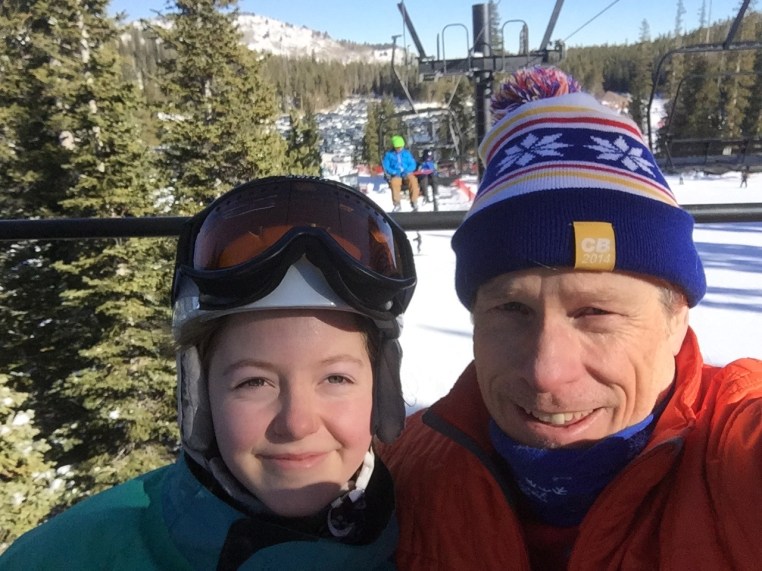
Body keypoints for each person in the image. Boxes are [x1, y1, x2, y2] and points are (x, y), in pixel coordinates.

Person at [378, 66, 762, 570]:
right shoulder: (397, 476)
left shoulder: (735, 452)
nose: (546, 372)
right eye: (511, 309)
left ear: (676, 319)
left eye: (596, 312)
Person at [1, 176, 417, 569]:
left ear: (381, 389)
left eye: (336, 379)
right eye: (254, 382)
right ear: (199, 396)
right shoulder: (64, 558)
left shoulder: (434, 528)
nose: (297, 424)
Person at [382, 135, 420, 212]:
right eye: (397, 147)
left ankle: (414, 201)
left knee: (413, 181)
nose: (399, 149)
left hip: (406, 172)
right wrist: (393, 172)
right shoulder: (389, 155)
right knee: (394, 182)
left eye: (400, 147)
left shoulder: (406, 154)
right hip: (396, 174)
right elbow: (386, 166)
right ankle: (397, 204)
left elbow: (412, 164)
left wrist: (407, 170)